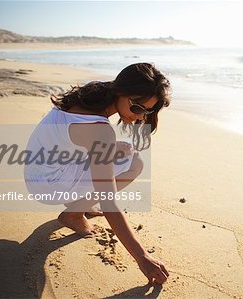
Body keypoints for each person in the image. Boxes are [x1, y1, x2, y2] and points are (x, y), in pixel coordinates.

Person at [24, 63, 170, 284]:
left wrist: (108, 148)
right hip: (46, 184)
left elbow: (73, 137)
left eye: (147, 111)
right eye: (138, 108)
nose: (140, 118)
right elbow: (108, 201)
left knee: (125, 154)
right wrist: (142, 257)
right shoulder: (100, 131)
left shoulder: (95, 93)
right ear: (122, 93)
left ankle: (78, 206)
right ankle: (73, 214)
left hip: (39, 169)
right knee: (135, 164)